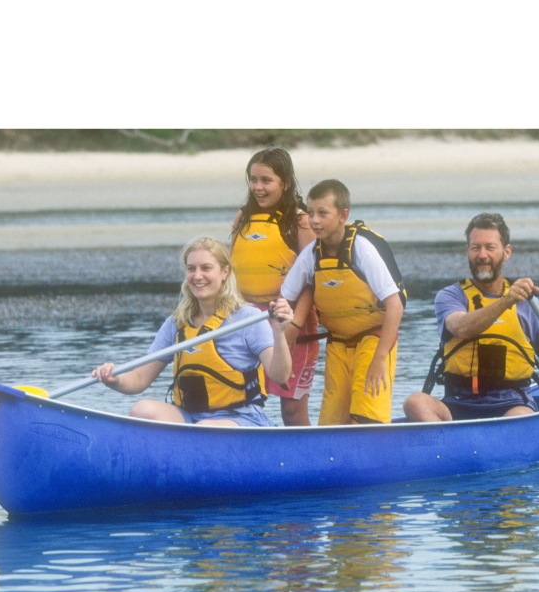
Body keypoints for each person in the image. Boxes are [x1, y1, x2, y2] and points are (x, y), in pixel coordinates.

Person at [403, 212, 539, 442]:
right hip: (458, 404)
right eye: (475, 247)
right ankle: (448, 448)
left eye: (490, 247)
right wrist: (506, 301)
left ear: (507, 252)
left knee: (519, 417)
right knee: (415, 402)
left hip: (512, 404)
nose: (482, 255)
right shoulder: (450, 296)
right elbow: (461, 328)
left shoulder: (527, 305)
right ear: (467, 251)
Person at [92, 235, 294, 427]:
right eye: (191, 269)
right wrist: (114, 379)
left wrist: (278, 332)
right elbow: (139, 379)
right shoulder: (176, 323)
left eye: (206, 268)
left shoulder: (248, 318)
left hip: (241, 417)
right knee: (142, 410)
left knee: (206, 427)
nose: (197, 276)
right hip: (191, 418)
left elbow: (280, 376)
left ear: (225, 272)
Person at [280, 179, 405, 426]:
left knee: (367, 415)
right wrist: (287, 336)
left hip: (374, 340)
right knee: (331, 423)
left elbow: (395, 304)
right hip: (337, 343)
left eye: (323, 213)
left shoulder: (362, 249)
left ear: (343, 215)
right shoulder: (310, 255)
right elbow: (285, 299)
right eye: (310, 213)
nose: (314, 220)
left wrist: (380, 357)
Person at [230, 147, 319, 426]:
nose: (258, 187)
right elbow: (228, 275)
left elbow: (311, 284)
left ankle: (305, 464)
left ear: (286, 182)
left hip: (288, 318)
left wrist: (293, 326)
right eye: (253, 179)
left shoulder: (301, 221)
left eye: (266, 180)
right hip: (245, 320)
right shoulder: (242, 217)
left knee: (291, 411)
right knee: (239, 401)